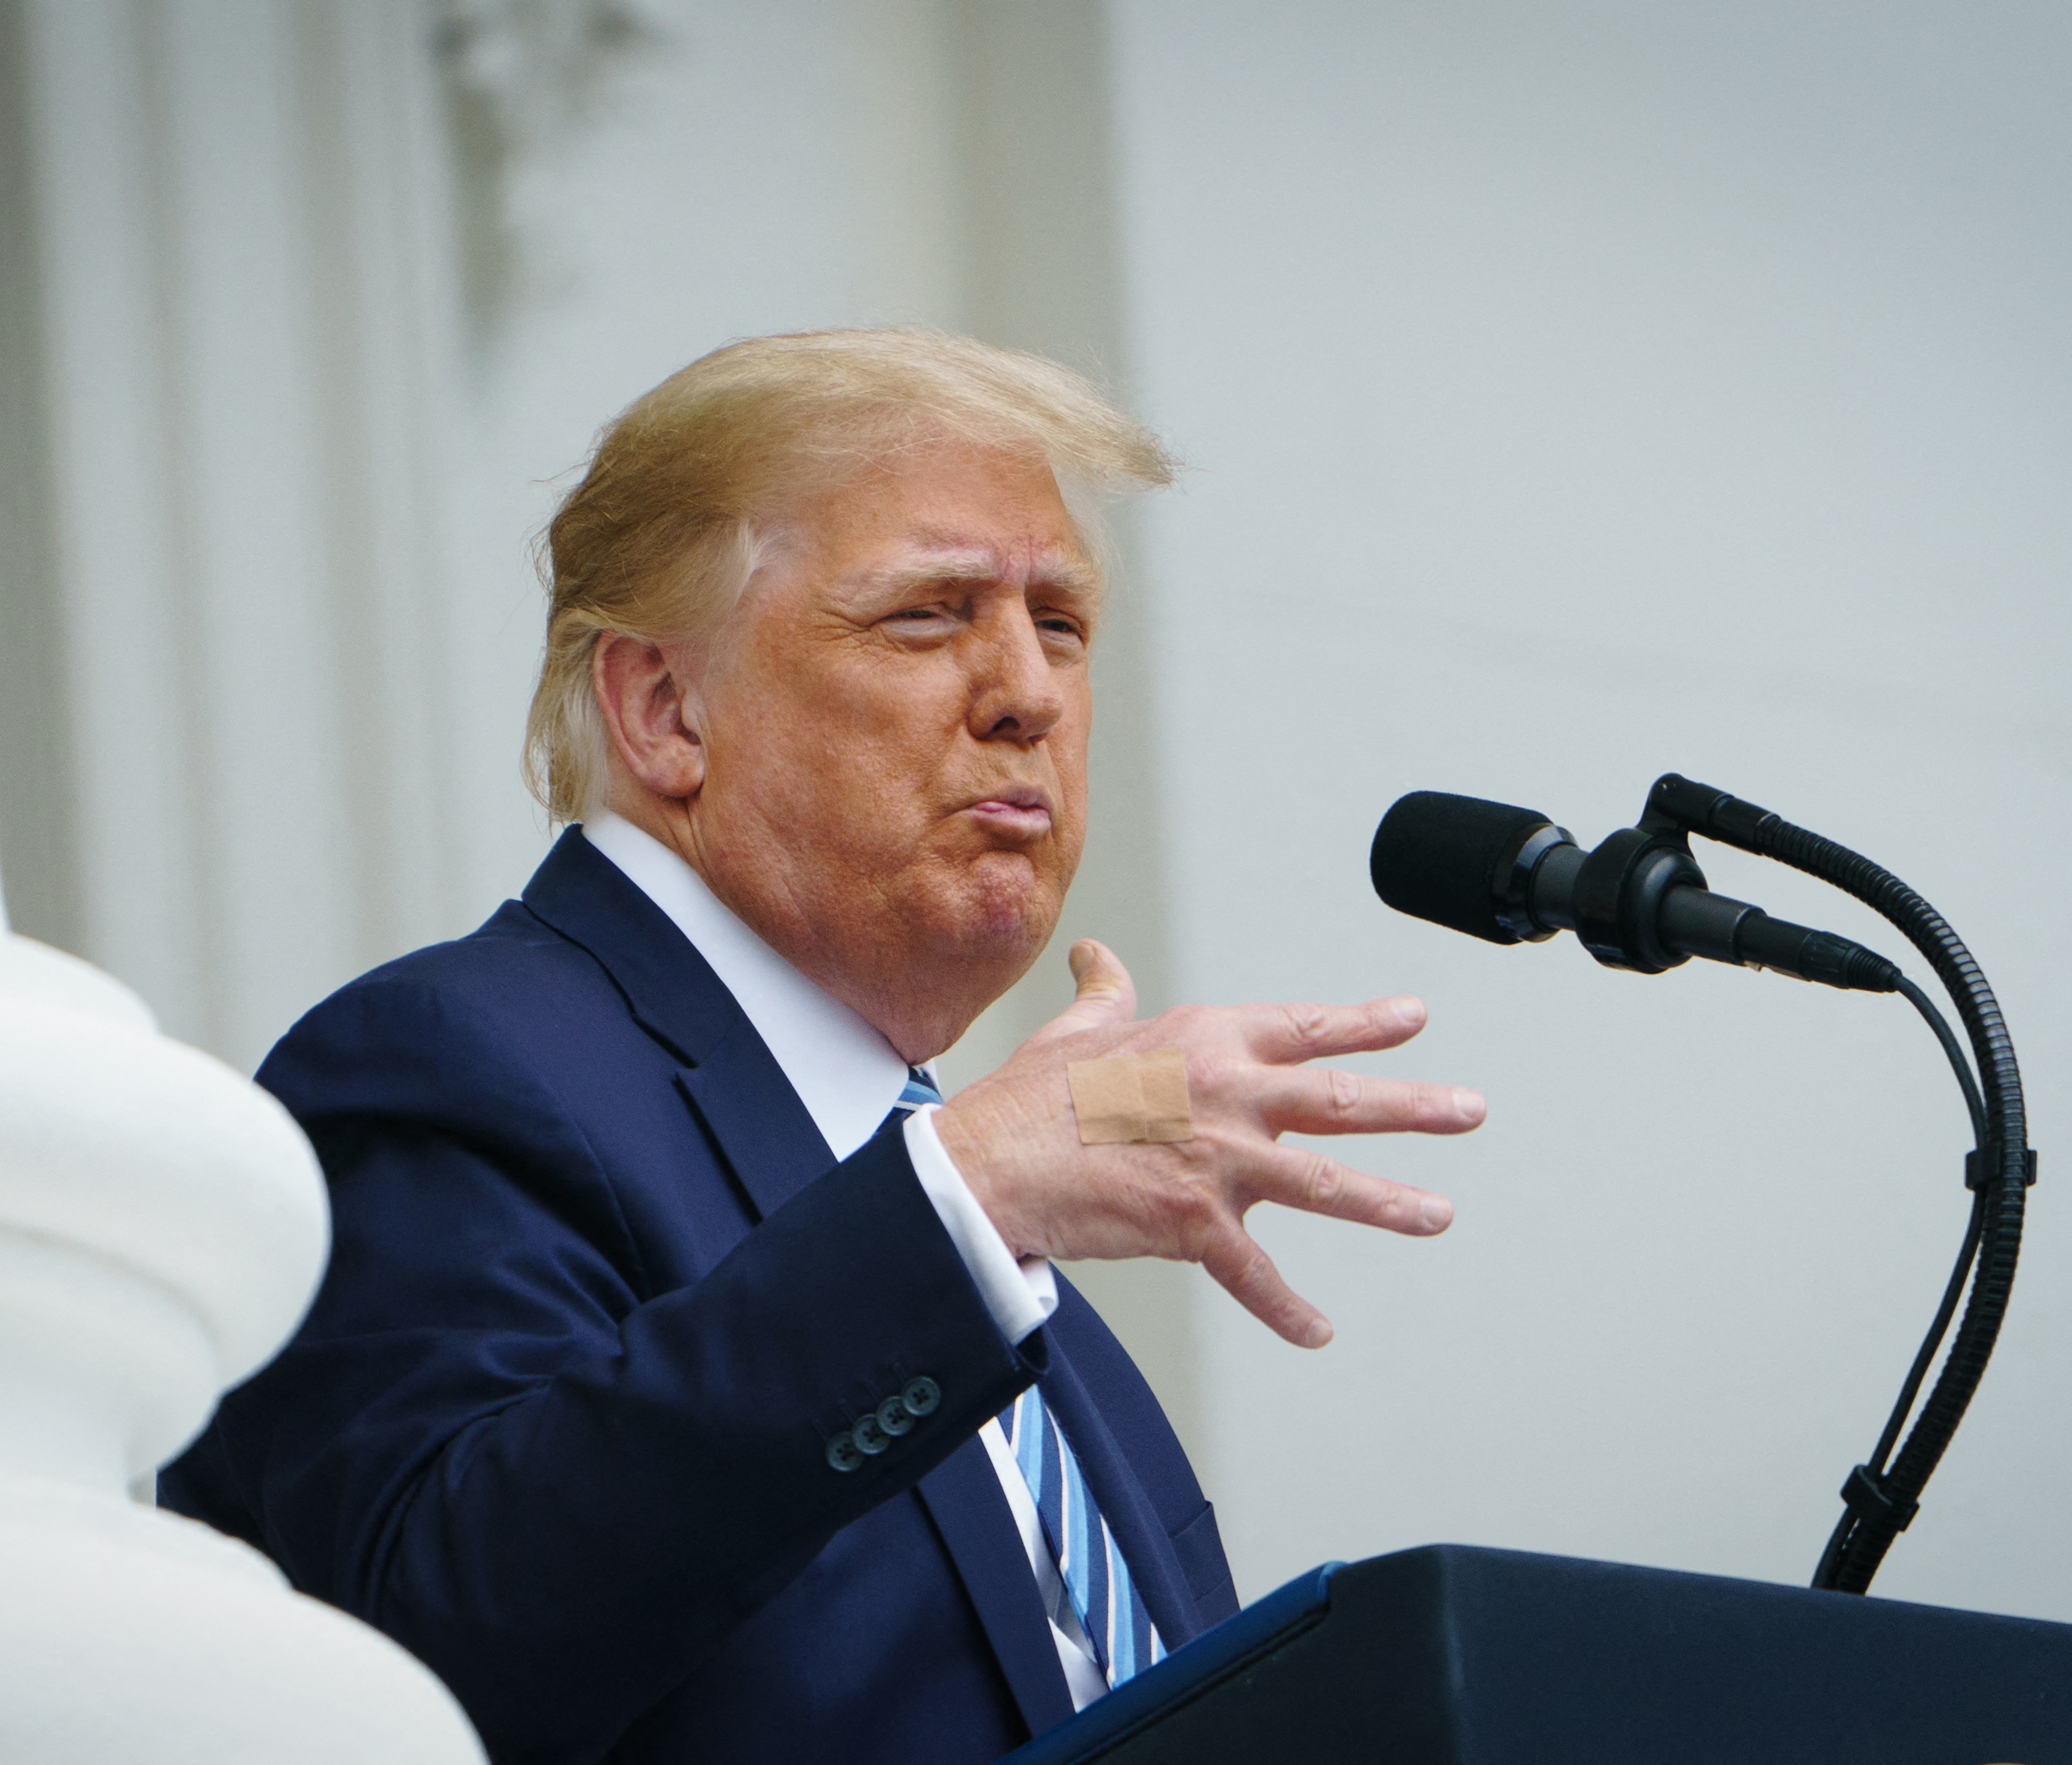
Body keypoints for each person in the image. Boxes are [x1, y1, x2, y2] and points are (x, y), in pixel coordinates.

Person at [161, 329, 1487, 1763]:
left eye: (1062, 622)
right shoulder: (452, 1065)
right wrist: (972, 1197)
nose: (1027, 691)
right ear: (666, 709)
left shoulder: (1009, 1282)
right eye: (928, 615)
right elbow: (433, 1643)